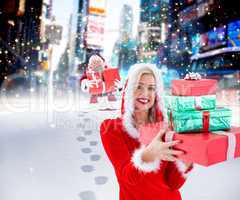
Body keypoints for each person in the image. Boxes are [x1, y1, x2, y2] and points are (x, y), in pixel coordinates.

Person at [100, 63, 193, 200]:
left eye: (151, 88)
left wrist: (187, 160)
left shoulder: (166, 129)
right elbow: (127, 178)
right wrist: (148, 155)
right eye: (139, 86)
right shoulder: (112, 129)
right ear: (129, 90)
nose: (145, 93)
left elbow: (173, 183)